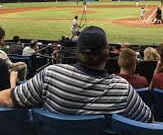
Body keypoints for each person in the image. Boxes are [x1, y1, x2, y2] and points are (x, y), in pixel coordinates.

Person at [0, 26, 152, 122]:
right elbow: (148, 121)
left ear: (78, 53)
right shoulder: (123, 89)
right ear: (107, 54)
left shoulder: (51, 75)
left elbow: (6, 99)